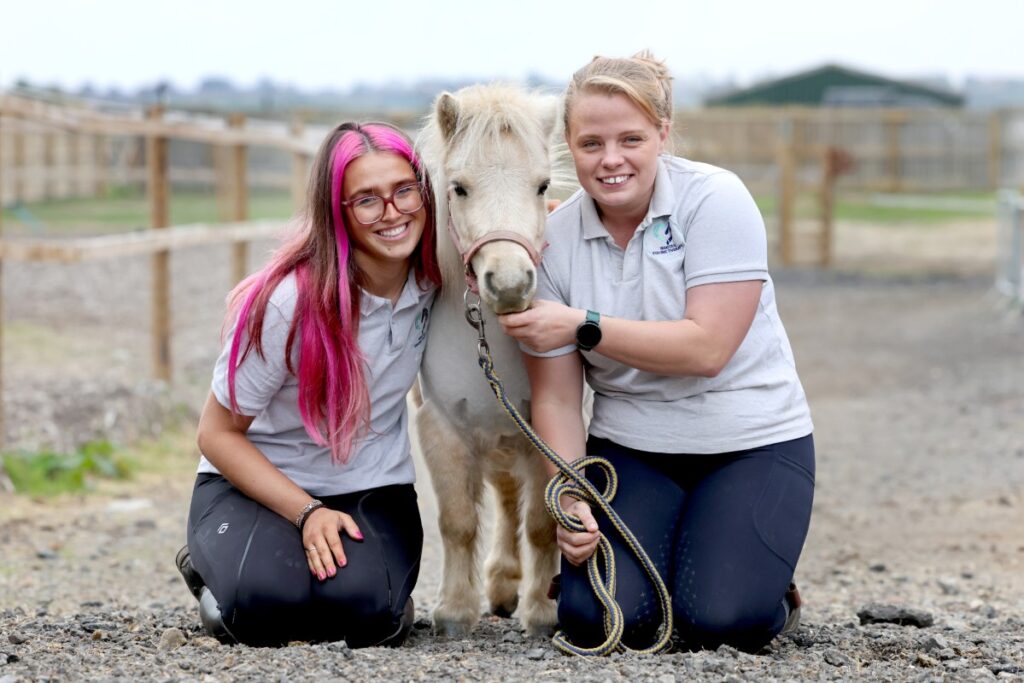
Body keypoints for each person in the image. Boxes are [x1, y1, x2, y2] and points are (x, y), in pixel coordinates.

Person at [498, 52, 815, 653]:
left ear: (663, 134)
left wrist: (582, 324)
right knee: (598, 619)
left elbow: (708, 348)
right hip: (634, 450)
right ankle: (689, 558)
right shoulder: (553, 241)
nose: (610, 159)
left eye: (631, 139)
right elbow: (557, 399)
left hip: (750, 444)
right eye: (591, 143)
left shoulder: (715, 199)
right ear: (568, 145)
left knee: (722, 622)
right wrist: (570, 494)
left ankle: (764, 584)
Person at [175, 121, 441, 647]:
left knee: (370, 618)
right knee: (261, 609)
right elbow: (216, 434)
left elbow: (504, 220)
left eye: (404, 190)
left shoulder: (436, 278)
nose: (392, 213)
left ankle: (365, 585)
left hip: (371, 483)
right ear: (336, 212)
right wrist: (308, 512)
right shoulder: (288, 303)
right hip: (256, 485)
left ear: (425, 193)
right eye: (367, 200)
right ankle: (210, 569)